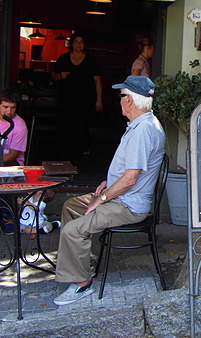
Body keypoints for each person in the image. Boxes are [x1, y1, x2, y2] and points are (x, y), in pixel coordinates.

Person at [53, 75, 165, 306]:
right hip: (121, 196)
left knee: (73, 230)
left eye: (121, 95)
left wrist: (103, 197)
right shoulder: (142, 124)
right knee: (71, 207)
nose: (119, 100)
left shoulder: (143, 130)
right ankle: (83, 264)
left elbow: (131, 178)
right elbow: (127, 173)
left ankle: (81, 285)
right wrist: (108, 184)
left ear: (130, 101)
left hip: (128, 205)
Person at [51, 32, 103, 162]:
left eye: (81, 42)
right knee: (65, 126)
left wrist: (99, 100)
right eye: (76, 41)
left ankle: (82, 154)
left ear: (85, 45)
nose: (79, 44)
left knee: (82, 126)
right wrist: (61, 75)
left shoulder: (91, 60)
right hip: (66, 99)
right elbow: (52, 77)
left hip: (85, 100)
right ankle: (65, 155)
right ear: (71, 44)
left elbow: (98, 81)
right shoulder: (63, 58)